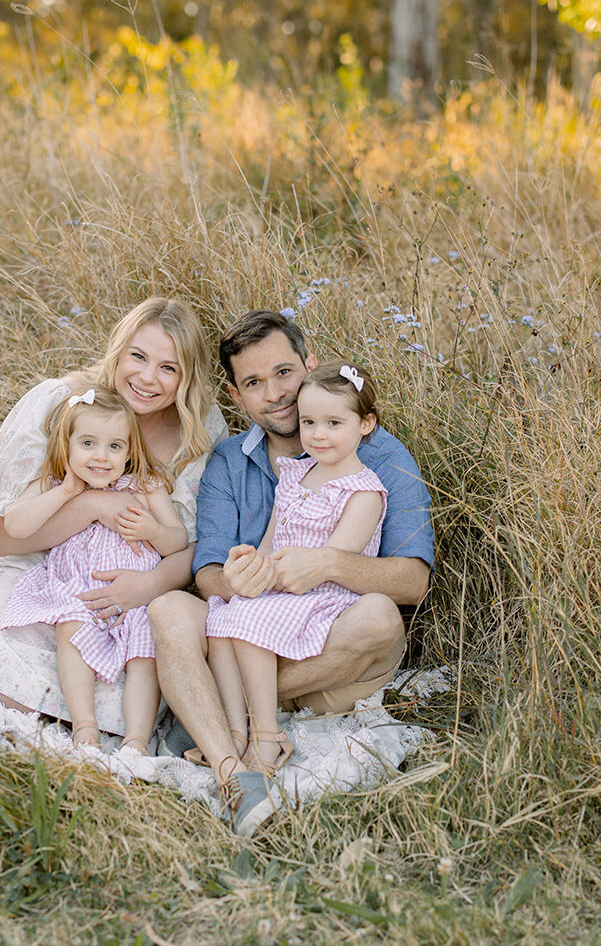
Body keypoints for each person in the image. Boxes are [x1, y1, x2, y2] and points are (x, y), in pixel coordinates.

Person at [0, 298, 228, 740]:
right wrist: (90, 506)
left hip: (134, 583)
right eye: (138, 357)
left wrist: (150, 585)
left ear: (187, 377)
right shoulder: (59, 402)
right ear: (118, 351)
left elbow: (194, 541)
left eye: (168, 367)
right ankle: (52, 715)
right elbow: (8, 539)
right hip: (38, 569)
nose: (146, 378)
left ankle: (83, 723)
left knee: (134, 681)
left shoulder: (199, 431)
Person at [147, 311, 433, 834]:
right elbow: (207, 573)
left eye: (284, 373)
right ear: (237, 397)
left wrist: (328, 563)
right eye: (254, 383)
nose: (276, 394)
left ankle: (208, 709)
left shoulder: (379, 456)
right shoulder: (229, 463)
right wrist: (242, 575)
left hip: (332, 655)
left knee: (378, 617)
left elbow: (414, 582)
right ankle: (235, 773)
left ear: (310, 365)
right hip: (254, 621)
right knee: (169, 608)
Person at [203, 362, 387, 779]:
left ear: (365, 424)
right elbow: (272, 540)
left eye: (334, 422)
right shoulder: (295, 474)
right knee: (220, 617)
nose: (318, 434)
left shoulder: (364, 491)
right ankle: (235, 732)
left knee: (250, 620)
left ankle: (266, 736)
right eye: (309, 422)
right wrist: (253, 567)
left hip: (324, 596)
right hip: (283, 584)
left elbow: (332, 562)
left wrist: (274, 579)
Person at [0, 384, 187, 754]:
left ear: (130, 450)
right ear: (66, 445)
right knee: (72, 629)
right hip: (76, 590)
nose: (102, 457)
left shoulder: (145, 485)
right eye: (87, 444)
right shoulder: (54, 483)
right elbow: (15, 526)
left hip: (134, 598)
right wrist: (66, 492)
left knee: (144, 651)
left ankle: (137, 739)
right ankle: (85, 726)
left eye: (115, 446)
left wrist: (154, 531)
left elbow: (177, 540)